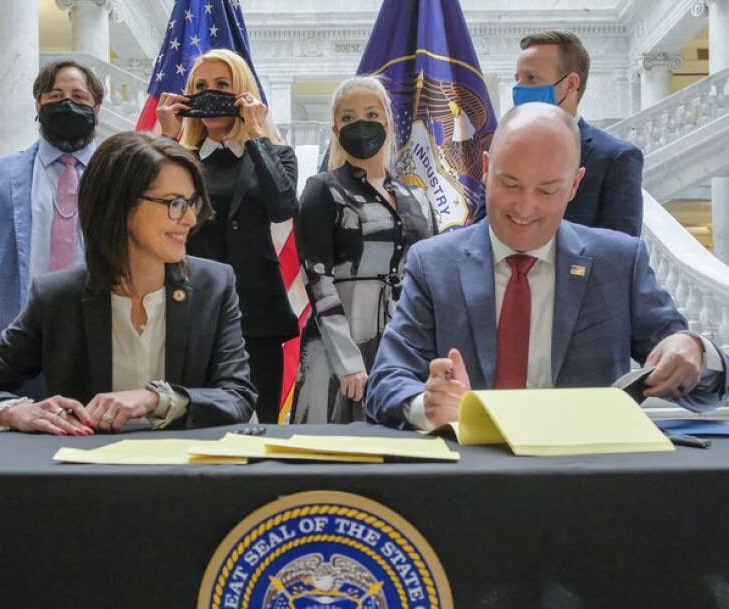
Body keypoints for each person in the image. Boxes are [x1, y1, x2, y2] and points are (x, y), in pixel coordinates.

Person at [366, 103, 728, 431]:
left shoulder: (618, 263)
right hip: (468, 483)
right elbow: (386, 380)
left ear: (574, 185)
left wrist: (695, 350)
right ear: (488, 169)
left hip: (587, 482)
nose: (524, 208)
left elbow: (700, 391)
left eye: (547, 191)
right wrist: (426, 406)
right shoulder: (434, 263)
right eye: (510, 184)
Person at [0, 132, 256, 433]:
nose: (189, 219)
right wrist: (12, 410)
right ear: (119, 206)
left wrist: (155, 398)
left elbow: (238, 396)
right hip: (86, 482)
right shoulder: (58, 297)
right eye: (174, 203)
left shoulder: (214, 286)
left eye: (192, 202)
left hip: (187, 479)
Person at [156, 49, 298, 424]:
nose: (211, 93)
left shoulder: (273, 153)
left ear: (243, 93)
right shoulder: (180, 156)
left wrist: (255, 135)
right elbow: (153, 211)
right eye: (200, 86)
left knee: (259, 422)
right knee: (191, 419)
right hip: (190, 304)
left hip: (257, 311)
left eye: (223, 85)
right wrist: (169, 139)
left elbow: (282, 205)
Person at [291, 76, 437, 424]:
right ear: (335, 128)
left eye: (372, 114)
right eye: (348, 118)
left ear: (387, 120)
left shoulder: (416, 196)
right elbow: (318, 280)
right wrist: (348, 361)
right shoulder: (322, 189)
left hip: (402, 346)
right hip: (338, 349)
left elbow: (429, 275)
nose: (361, 124)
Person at [0, 60, 103, 369]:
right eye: (56, 95)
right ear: (39, 103)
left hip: (93, 350)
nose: (67, 104)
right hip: (6, 350)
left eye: (78, 97)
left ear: (96, 108)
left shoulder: (120, 177)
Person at [513, 30, 643, 237]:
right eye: (517, 78)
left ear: (570, 84)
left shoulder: (616, 159)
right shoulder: (501, 152)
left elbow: (620, 253)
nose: (518, 88)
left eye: (531, 78)